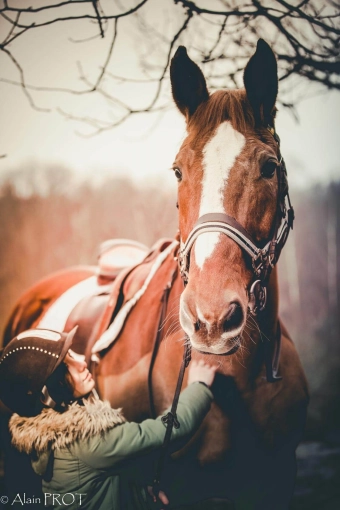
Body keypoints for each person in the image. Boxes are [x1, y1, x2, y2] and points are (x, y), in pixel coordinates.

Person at [0, 327, 217, 510]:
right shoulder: (84, 439)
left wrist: (140, 497)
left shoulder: (52, 434)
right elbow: (163, 434)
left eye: (72, 354)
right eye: (66, 367)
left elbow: (99, 489)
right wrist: (198, 386)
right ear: (48, 396)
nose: (82, 362)